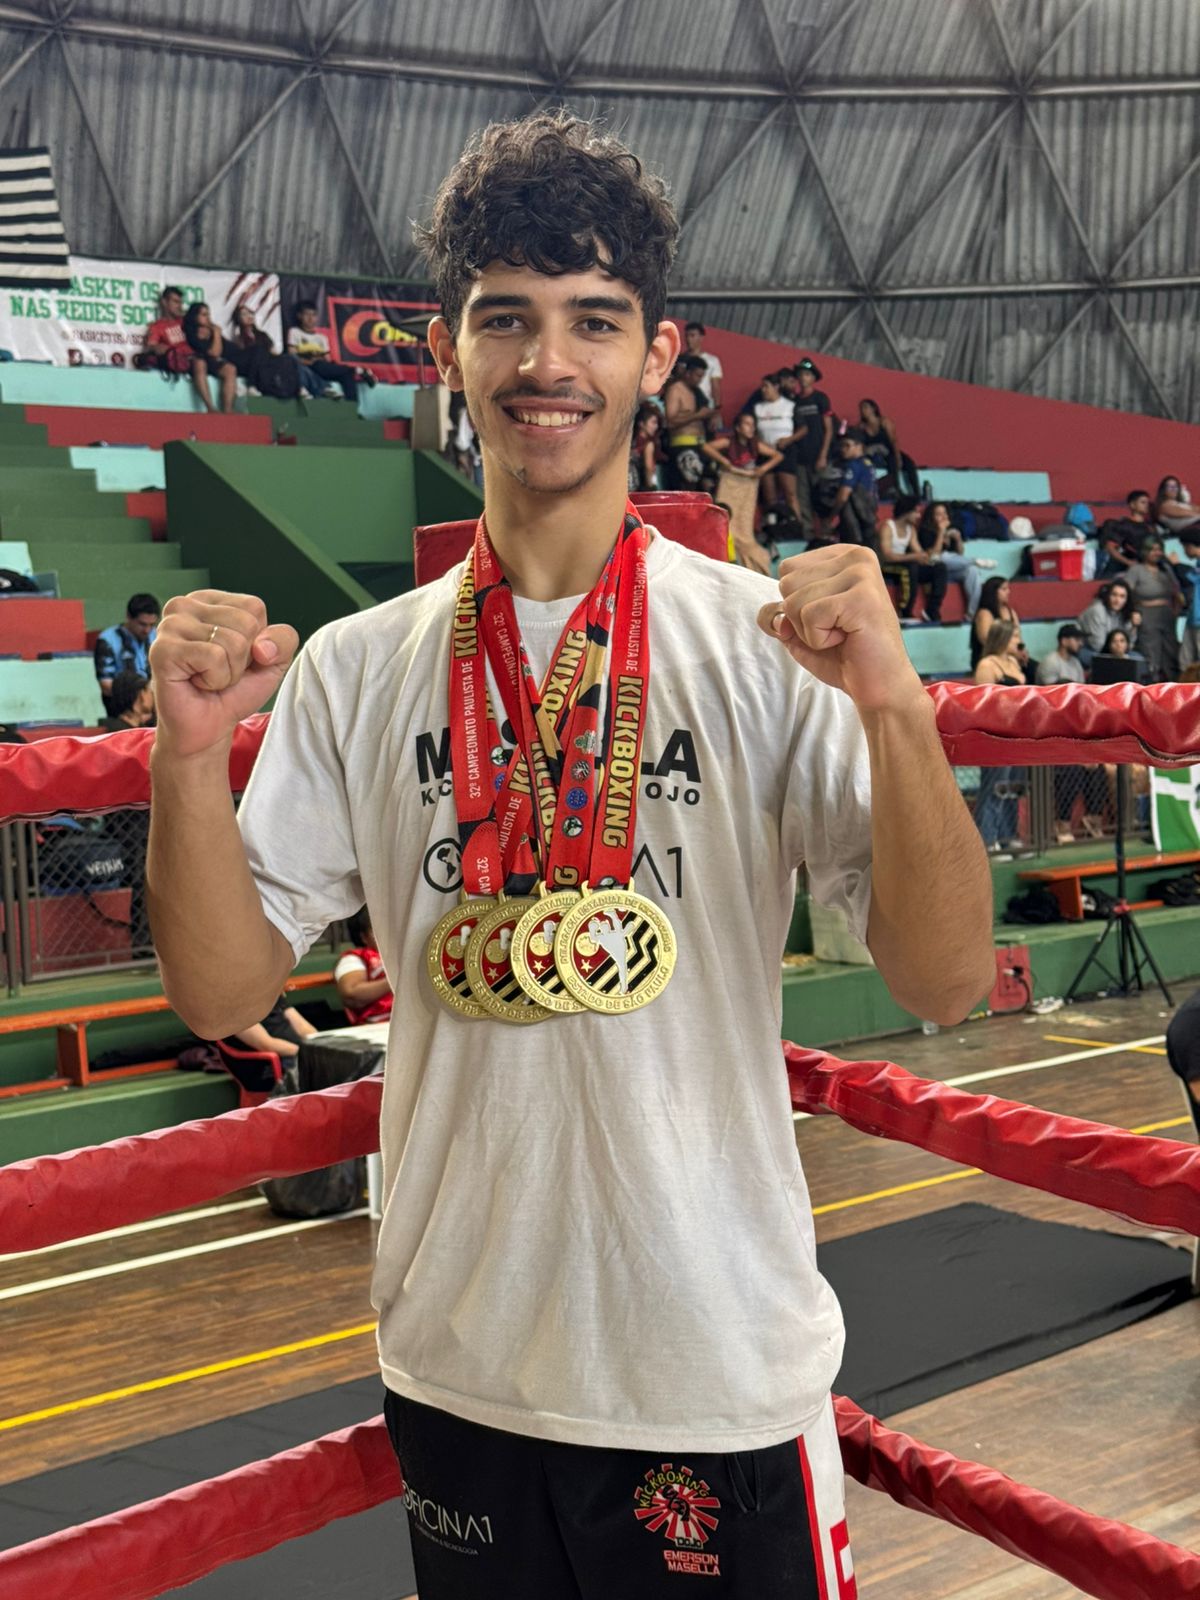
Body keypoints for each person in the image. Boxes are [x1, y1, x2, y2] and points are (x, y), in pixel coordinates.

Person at [146, 110, 994, 1599]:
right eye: (509, 320)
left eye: (595, 322)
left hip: (710, 1371)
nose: (551, 363)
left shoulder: (762, 644)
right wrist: (184, 754)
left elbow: (941, 982)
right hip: (460, 1367)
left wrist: (897, 709)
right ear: (446, 349)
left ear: (657, 357)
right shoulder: (357, 665)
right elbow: (223, 992)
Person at [702, 412, 782, 574]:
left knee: (743, 528)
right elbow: (706, 447)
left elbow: (778, 455)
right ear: (738, 428)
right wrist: (725, 462)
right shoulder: (729, 442)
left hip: (748, 487)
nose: (751, 428)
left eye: (753, 424)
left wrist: (762, 469)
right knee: (726, 522)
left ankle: (752, 566)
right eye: (747, 424)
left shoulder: (755, 444)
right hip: (730, 483)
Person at [972, 620, 1027, 855]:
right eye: (1015, 636)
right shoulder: (987, 664)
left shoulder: (1014, 662)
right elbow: (982, 702)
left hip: (1018, 732)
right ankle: (987, 839)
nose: (1019, 641)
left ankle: (1007, 836)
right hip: (996, 733)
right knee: (994, 787)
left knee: (1014, 787)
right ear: (1003, 638)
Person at [781, 359, 833, 536]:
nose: (804, 378)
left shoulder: (820, 398)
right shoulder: (793, 401)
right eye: (801, 374)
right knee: (802, 496)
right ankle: (807, 532)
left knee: (822, 495)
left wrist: (823, 455)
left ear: (813, 378)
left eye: (807, 374)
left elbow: (829, 428)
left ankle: (826, 531)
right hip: (799, 456)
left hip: (818, 455)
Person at [287, 300, 375, 403]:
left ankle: (353, 408)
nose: (310, 319)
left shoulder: (321, 338)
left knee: (346, 375)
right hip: (308, 367)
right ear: (299, 316)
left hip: (323, 367)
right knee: (319, 364)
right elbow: (292, 356)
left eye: (313, 315)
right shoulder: (294, 332)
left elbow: (327, 359)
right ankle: (357, 370)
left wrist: (320, 361)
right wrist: (310, 361)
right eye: (307, 315)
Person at [878, 494, 946, 623]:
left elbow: (919, 552)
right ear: (907, 512)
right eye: (916, 512)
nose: (918, 516)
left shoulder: (911, 530)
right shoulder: (888, 526)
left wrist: (927, 556)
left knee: (939, 568)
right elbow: (886, 555)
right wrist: (914, 557)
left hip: (904, 564)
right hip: (886, 566)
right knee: (909, 568)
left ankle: (932, 610)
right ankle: (905, 611)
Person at [1125, 533, 1183, 679]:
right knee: (1151, 652)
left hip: (1166, 615)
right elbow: (1125, 592)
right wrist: (1132, 612)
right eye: (1153, 549)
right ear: (1145, 551)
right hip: (1146, 614)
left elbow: (1176, 592)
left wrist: (1175, 611)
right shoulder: (1136, 570)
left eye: (1159, 549)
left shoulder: (1166, 570)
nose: (1157, 553)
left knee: (1171, 652)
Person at [918, 501, 985, 619]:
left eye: (945, 513)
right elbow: (934, 556)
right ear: (931, 517)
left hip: (951, 569)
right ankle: (974, 560)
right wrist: (941, 533)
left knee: (972, 570)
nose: (943, 517)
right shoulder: (925, 531)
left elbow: (959, 555)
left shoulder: (951, 530)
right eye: (938, 514)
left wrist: (958, 540)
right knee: (943, 557)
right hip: (935, 571)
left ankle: (971, 614)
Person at [94, 592, 159, 712]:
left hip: (153, 705)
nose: (147, 630)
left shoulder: (156, 636)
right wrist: (140, 696)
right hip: (122, 709)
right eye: (142, 624)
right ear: (128, 617)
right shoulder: (107, 640)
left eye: (152, 625)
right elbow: (106, 685)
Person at [661, 353, 712, 489]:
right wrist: (697, 415)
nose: (700, 380)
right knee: (687, 488)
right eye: (697, 376)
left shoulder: (697, 393)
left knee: (706, 488)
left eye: (702, 377)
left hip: (700, 445)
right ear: (688, 373)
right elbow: (670, 422)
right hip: (681, 447)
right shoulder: (675, 390)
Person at [335, 909, 394, 1025]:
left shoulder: (406, 954)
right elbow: (352, 994)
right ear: (364, 937)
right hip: (379, 1026)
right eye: (378, 931)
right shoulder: (354, 958)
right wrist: (397, 977)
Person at [181, 301, 238, 414]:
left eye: (208, 314)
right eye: (204, 315)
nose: (208, 318)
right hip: (195, 360)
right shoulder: (190, 329)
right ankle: (210, 407)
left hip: (211, 361)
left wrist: (214, 333)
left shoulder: (210, 330)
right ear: (195, 316)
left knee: (230, 369)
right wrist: (216, 333)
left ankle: (228, 409)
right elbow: (214, 352)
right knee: (200, 364)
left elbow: (223, 350)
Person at [858, 397, 919, 499]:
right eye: (861, 408)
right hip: (873, 454)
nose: (863, 411)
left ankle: (916, 492)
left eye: (865, 407)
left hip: (889, 451)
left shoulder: (884, 422)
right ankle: (895, 489)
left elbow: (894, 441)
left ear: (873, 409)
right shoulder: (862, 427)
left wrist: (898, 457)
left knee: (908, 463)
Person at [751, 373, 794, 512]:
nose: (763, 389)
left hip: (785, 450)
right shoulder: (758, 408)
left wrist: (788, 440)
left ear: (776, 387)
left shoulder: (789, 405)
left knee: (790, 493)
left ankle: (797, 526)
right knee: (769, 496)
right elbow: (753, 431)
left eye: (766, 386)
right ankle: (772, 526)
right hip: (765, 451)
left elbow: (803, 429)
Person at [832, 427, 879, 549]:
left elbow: (843, 496)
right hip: (869, 517)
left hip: (854, 522)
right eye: (842, 446)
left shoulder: (853, 466)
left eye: (847, 445)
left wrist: (830, 516)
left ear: (859, 446)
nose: (843, 449)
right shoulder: (868, 464)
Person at [1077, 579, 1140, 665]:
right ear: (1107, 595)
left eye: (1122, 596)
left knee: (1138, 659)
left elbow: (1129, 645)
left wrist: (1134, 627)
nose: (1117, 600)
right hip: (1089, 649)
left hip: (1114, 650)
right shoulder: (1097, 610)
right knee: (1108, 662)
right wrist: (1118, 652)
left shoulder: (1126, 612)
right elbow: (1098, 646)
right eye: (1114, 595)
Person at [1097, 489, 1154, 577]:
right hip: (1127, 567)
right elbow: (1110, 547)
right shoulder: (1124, 525)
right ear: (1132, 505)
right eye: (1142, 502)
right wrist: (1129, 562)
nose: (1146, 505)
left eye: (1147, 503)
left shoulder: (1149, 526)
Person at [971, 575, 1019, 671]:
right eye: (1004, 589)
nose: (1008, 592)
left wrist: (1021, 650)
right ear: (993, 592)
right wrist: (1010, 650)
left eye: (1008, 589)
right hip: (988, 657)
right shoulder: (984, 613)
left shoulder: (1010, 611)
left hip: (1010, 656)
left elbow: (1018, 636)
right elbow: (987, 641)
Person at [683, 320, 722, 423]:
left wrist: (716, 410)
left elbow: (715, 387)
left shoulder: (712, 360)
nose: (688, 339)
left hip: (703, 407)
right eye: (686, 336)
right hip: (682, 405)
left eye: (692, 335)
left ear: (701, 337)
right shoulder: (680, 359)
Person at [141, 286, 188, 371]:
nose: (180, 306)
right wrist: (158, 348)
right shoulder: (157, 326)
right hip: (175, 362)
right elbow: (150, 347)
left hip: (194, 360)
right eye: (176, 302)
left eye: (181, 303)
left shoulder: (188, 321)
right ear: (164, 302)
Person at [629, 402, 665, 491]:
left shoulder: (630, 443)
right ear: (641, 424)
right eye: (653, 422)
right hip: (641, 488)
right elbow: (649, 468)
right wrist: (652, 488)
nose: (656, 427)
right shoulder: (648, 444)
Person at [1181, 533, 1200, 671]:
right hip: (1192, 619)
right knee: (1185, 661)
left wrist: (1176, 565)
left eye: (1185, 547)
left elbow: (1192, 579)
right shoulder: (1197, 564)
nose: (1185, 551)